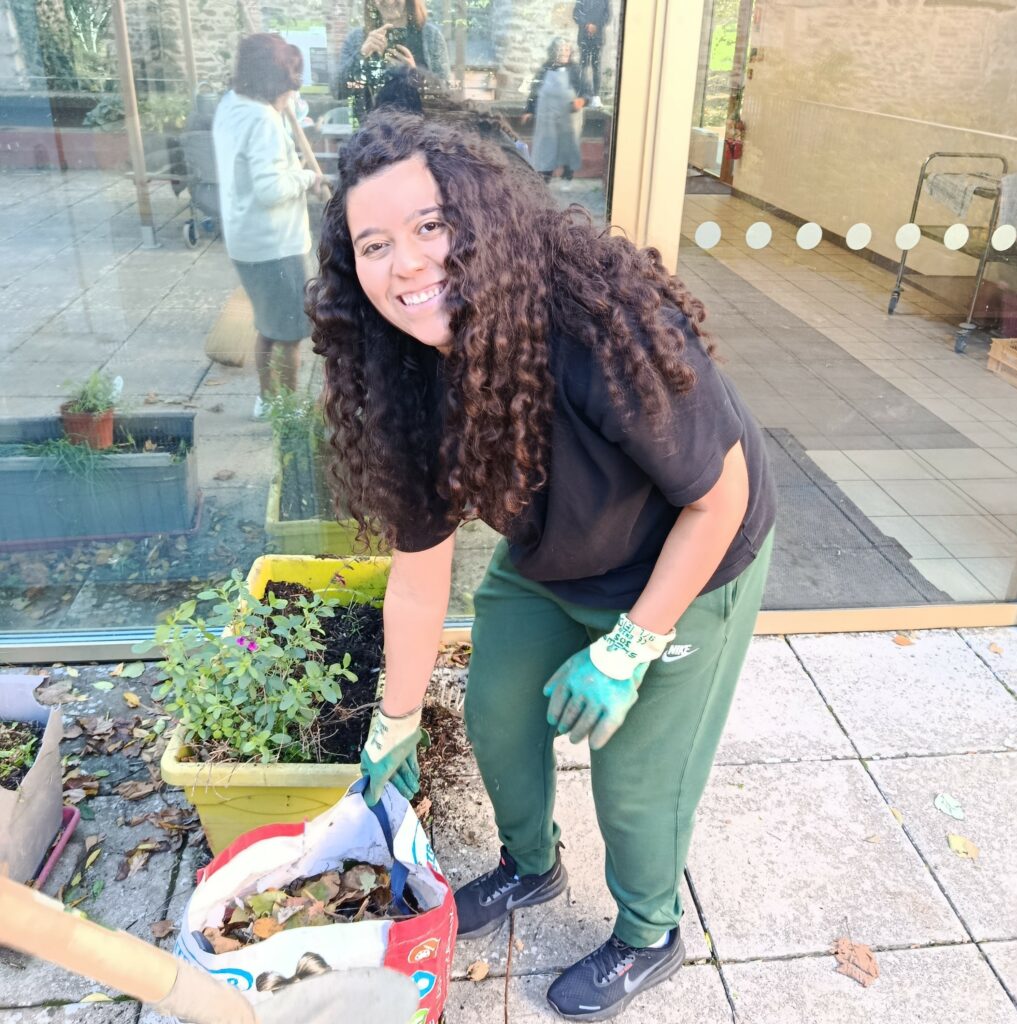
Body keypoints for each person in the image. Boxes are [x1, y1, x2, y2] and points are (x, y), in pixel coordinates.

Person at [308, 111, 775, 1021]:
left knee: (633, 783)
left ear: (481, 219)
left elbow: (717, 501)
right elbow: (418, 576)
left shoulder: (604, 327)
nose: (405, 264)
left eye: (429, 225)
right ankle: (531, 866)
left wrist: (628, 648)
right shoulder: (405, 374)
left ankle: (650, 934)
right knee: (496, 714)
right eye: (374, 245)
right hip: (554, 552)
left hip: (688, 558)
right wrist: (393, 723)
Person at [213, 33, 323, 418]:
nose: (291, 93)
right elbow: (271, 189)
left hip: (245, 240)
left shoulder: (231, 105)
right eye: (289, 84)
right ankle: (287, 409)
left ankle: (267, 399)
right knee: (290, 335)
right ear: (273, 82)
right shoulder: (263, 120)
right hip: (276, 245)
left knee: (268, 326)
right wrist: (308, 178)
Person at [336, 0, 451, 119]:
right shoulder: (356, 39)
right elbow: (337, 91)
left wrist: (415, 74)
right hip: (371, 128)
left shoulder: (431, 36)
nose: (389, 1)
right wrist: (361, 56)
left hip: (419, 128)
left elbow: (445, 96)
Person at [524, 38, 586, 188]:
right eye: (561, 49)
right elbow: (535, 91)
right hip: (548, 114)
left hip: (569, 115)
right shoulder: (545, 68)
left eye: (567, 49)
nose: (564, 52)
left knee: (568, 145)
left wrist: (582, 100)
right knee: (546, 145)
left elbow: (586, 91)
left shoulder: (575, 70)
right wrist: (528, 110)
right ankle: (544, 180)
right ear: (553, 51)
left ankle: (567, 178)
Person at [574, 0, 611, 105]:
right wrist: (587, 24)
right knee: (583, 66)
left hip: (597, 38)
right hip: (584, 37)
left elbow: (607, 15)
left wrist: (596, 26)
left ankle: (596, 95)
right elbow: (576, 14)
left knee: (596, 67)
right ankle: (581, 94)